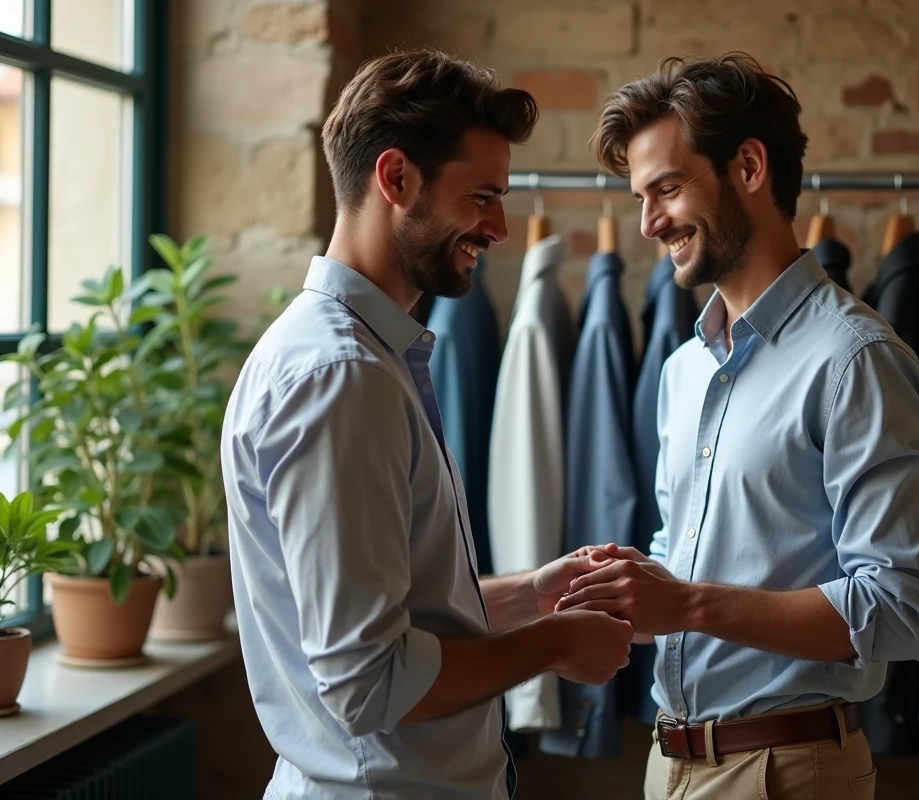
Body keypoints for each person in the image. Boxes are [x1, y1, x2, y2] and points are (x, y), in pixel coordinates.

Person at [220, 49, 634, 800]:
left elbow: (393, 613)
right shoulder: (342, 378)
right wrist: (552, 645)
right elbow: (369, 682)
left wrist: (530, 595)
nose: (500, 227)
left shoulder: (358, 361)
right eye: (482, 197)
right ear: (397, 179)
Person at [556, 53, 919, 800]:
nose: (648, 223)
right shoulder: (682, 372)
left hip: (787, 773)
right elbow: (687, 573)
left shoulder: (854, 359)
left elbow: (905, 608)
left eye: (667, 189)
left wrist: (688, 604)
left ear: (748, 167)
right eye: (641, 197)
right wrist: (629, 593)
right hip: (668, 764)